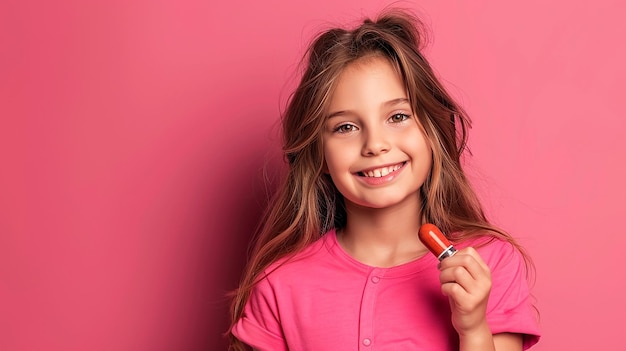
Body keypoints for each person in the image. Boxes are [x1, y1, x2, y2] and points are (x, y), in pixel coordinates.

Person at [228, 8, 540, 351]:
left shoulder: (490, 263)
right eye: (346, 127)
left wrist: (473, 328)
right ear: (320, 156)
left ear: (432, 133)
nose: (375, 145)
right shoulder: (280, 285)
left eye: (398, 116)